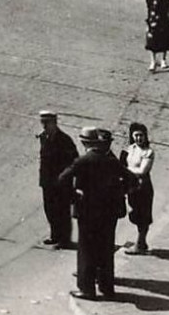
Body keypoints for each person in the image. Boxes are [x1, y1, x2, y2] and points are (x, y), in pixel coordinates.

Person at [60, 126, 132, 299]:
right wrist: (118, 192)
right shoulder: (112, 161)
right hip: (108, 213)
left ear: (84, 142)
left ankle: (87, 289)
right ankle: (107, 289)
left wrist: (74, 196)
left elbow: (63, 179)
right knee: (106, 251)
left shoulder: (82, 161)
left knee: (86, 250)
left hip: (87, 212)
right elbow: (132, 179)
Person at [37, 111, 78, 249]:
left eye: (46, 123)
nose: (44, 126)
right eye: (42, 122)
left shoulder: (64, 140)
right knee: (50, 209)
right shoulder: (44, 137)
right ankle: (55, 235)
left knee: (62, 210)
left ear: (54, 122)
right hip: (47, 181)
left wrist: (65, 176)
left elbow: (74, 161)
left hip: (61, 182)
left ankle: (65, 239)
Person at [122, 122, 155, 254]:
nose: (138, 138)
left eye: (141, 135)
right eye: (135, 135)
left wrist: (124, 170)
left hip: (143, 188)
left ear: (145, 136)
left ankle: (140, 244)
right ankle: (142, 242)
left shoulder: (148, 152)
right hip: (132, 187)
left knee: (144, 216)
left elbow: (142, 171)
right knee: (135, 214)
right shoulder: (130, 149)